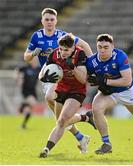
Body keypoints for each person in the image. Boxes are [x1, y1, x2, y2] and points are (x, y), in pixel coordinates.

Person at [23, 8, 93, 153]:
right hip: (47, 75)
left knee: (57, 110)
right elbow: (26, 57)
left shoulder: (63, 36)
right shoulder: (36, 36)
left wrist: (92, 65)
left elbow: (84, 45)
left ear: (56, 21)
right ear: (42, 21)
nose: (49, 22)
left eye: (52, 19)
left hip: (61, 77)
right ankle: (81, 135)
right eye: (46, 19)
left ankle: (82, 124)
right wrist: (32, 54)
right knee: (61, 118)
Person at [38, 34, 95, 158]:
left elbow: (83, 79)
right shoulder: (54, 54)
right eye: (61, 49)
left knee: (63, 120)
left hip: (76, 91)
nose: (63, 52)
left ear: (73, 47)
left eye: (66, 50)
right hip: (61, 90)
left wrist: (72, 67)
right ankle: (85, 120)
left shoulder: (80, 54)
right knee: (61, 122)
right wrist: (44, 77)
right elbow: (41, 73)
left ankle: (46, 149)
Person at [16, 58, 40, 129]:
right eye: (33, 60)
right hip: (26, 90)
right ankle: (21, 107)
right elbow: (17, 71)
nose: (35, 61)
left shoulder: (38, 69)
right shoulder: (26, 67)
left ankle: (23, 124)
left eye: (36, 60)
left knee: (28, 110)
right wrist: (18, 79)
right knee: (33, 103)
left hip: (33, 90)